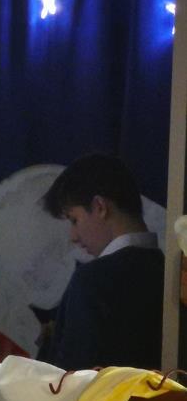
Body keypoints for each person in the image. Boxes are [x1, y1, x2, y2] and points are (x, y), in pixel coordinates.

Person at [39, 152, 164, 372]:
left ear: (100, 207)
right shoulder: (169, 272)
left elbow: (68, 380)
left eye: (74, 220)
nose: (73, 236)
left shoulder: (91, 281)